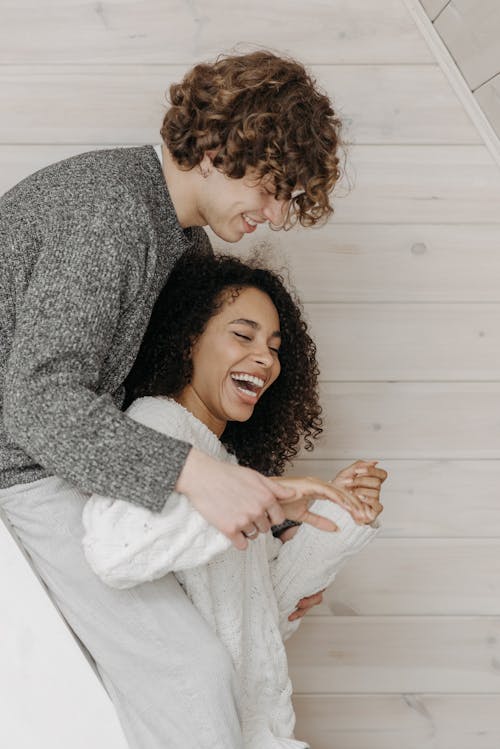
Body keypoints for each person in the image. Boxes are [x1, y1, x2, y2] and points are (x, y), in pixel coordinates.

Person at [0, 50, 384, 747]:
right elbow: (39, 405)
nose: (272, 213)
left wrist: (273, 531)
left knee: (217, 646)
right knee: (193, 673)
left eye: (286, 198)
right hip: (22, 467)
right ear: (213, 148)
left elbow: (174, 407)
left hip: (68, 462)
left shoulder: (184, 248)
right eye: (270, 186)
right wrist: (203, 476)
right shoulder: (107, 211)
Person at [81, 250, 386, 749]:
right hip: (192, 728)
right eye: (243, 336)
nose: (265, 357)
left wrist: (341, 511)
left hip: (251, 728)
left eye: (273, 345)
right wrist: (269, 496)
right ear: (188, 340)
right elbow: (115, 550)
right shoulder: (156, 425)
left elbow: (258, 617)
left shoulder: (223, 462)